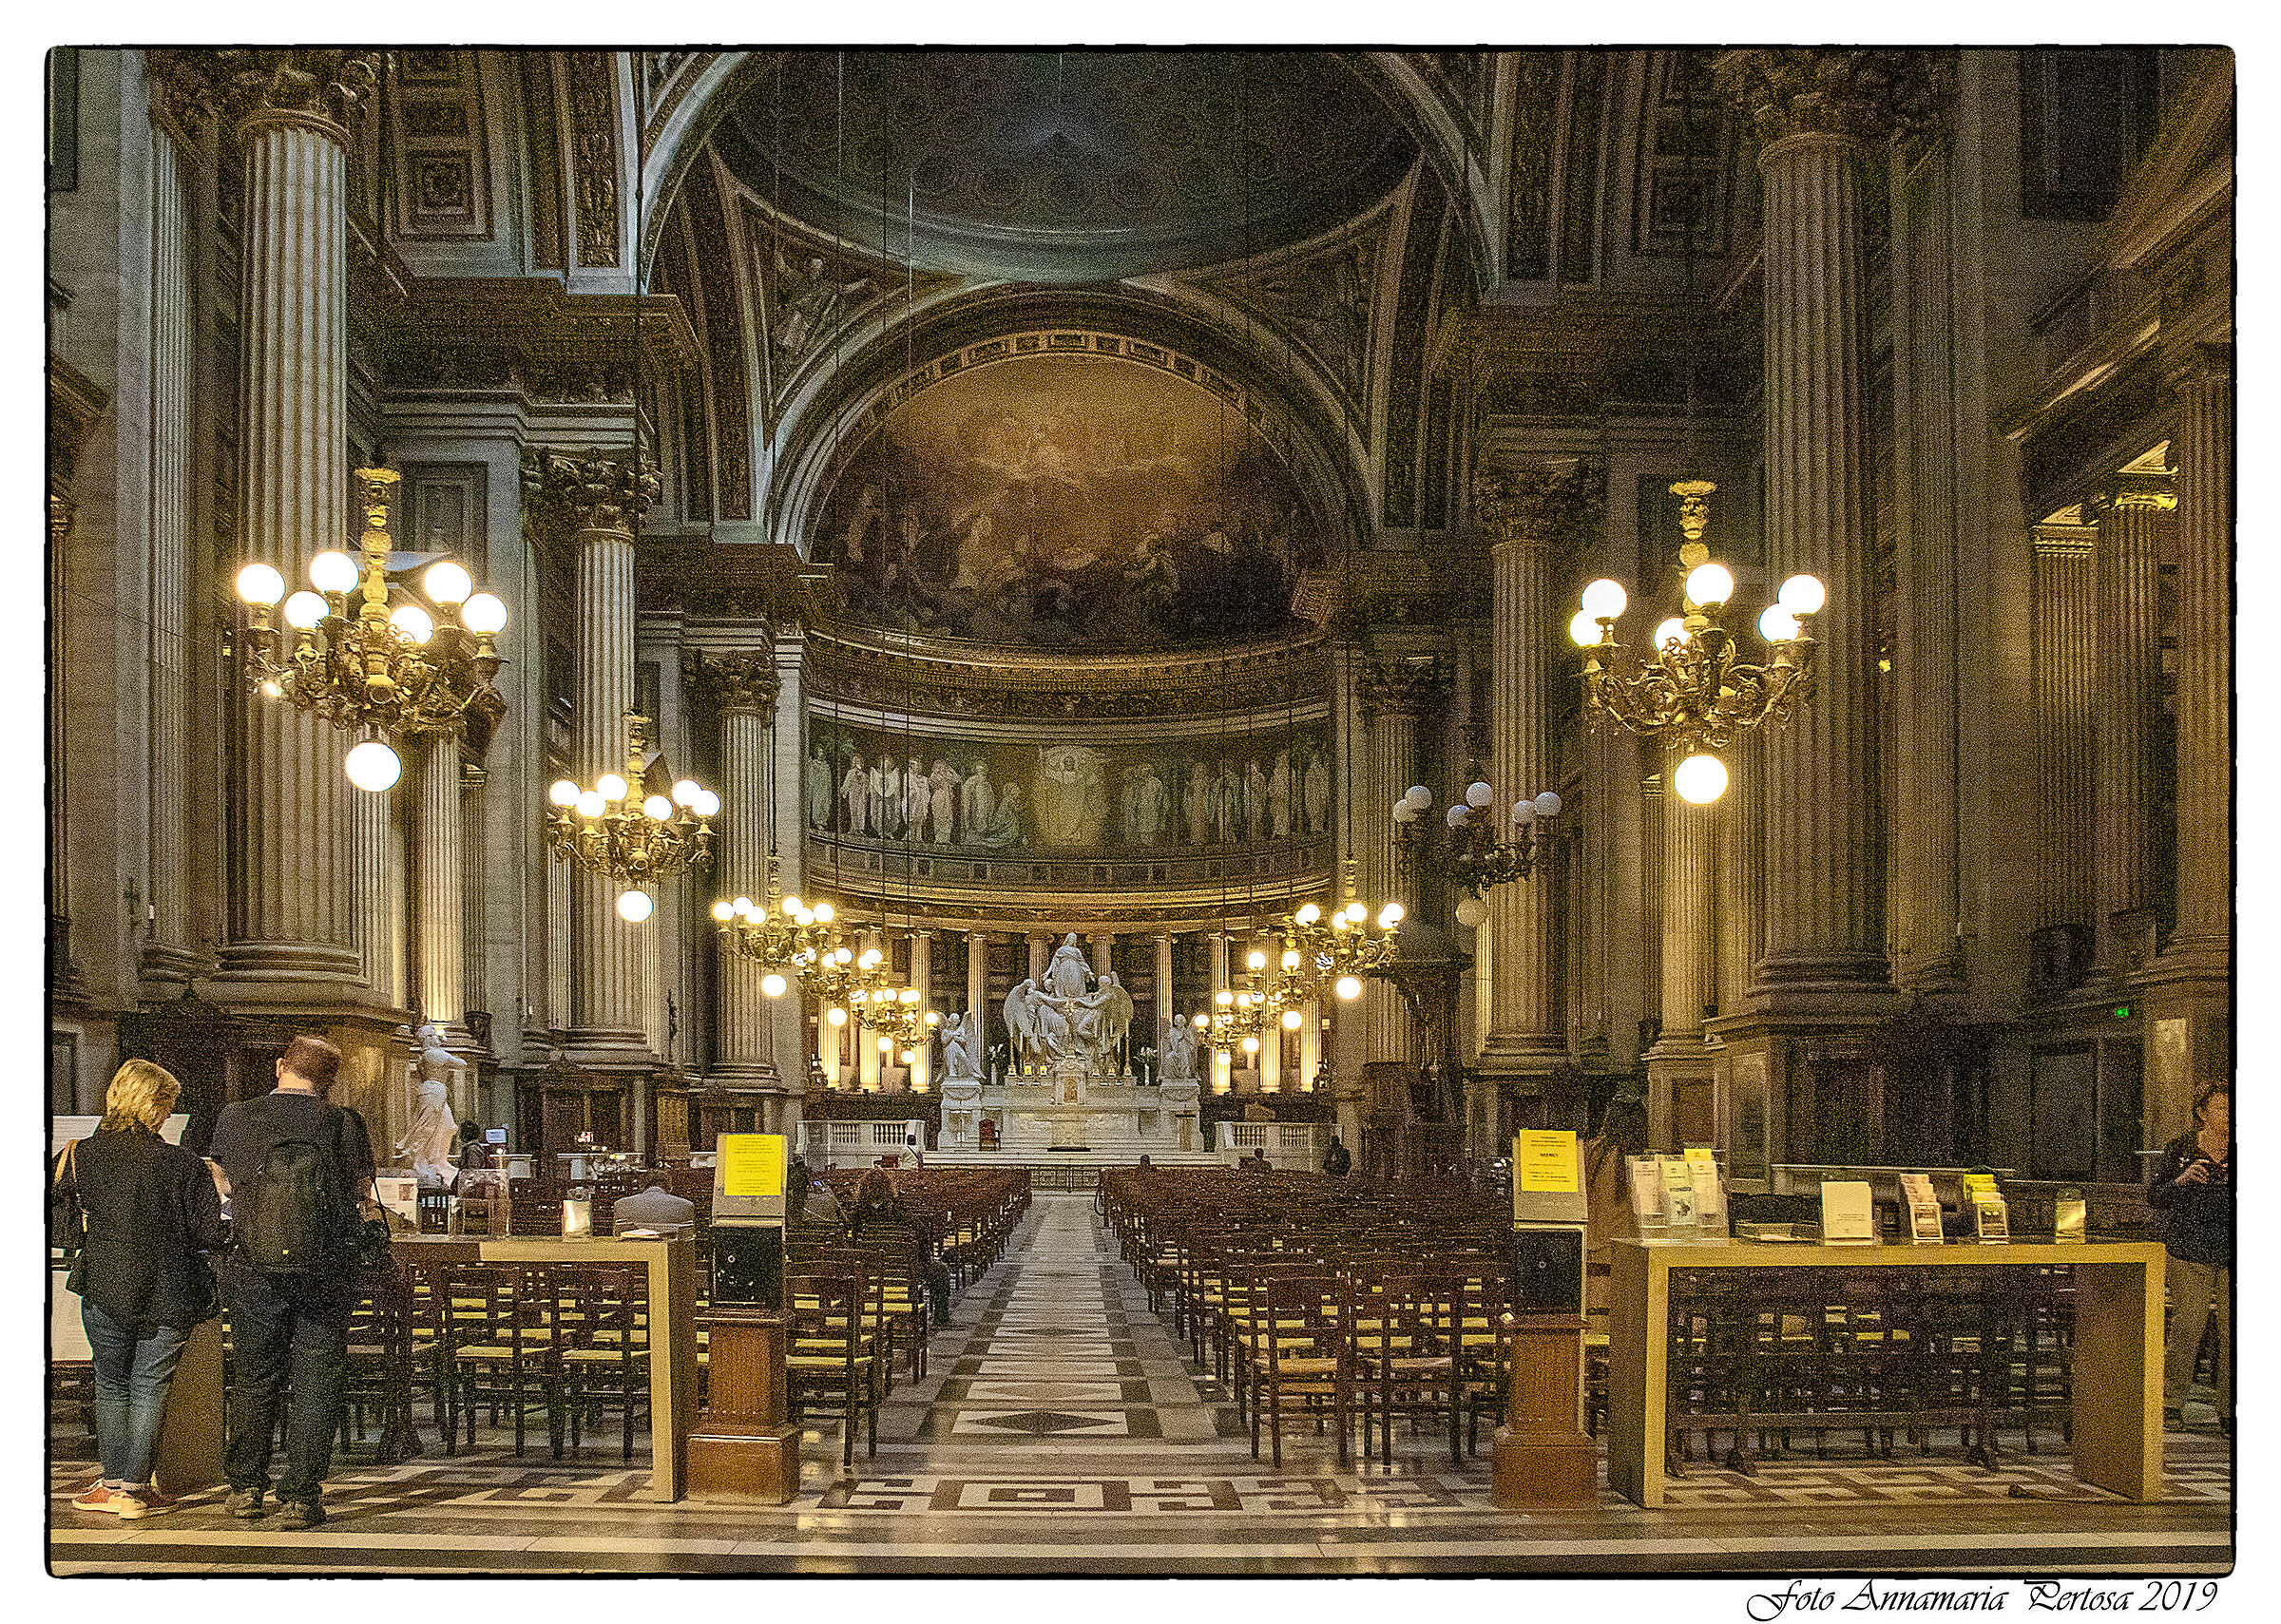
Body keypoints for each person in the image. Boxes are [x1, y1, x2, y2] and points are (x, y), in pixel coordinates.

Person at [206, 1035, 377, 1530]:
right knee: (315, 1379)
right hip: (325, 1267)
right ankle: (301, 1496)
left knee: (255, 1376)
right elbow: (361, 1192)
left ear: (280, 1066)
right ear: (328, 1082)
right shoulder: (342, 1122)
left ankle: (245, 1488)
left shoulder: (235, 1117)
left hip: (253, 1267)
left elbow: (222, 1185)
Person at [52, 1060, 225, 1519]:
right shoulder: (184, 1164)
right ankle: (133, 1487)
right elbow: (208, 1233)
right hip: (170, 1289)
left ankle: (111, 1484)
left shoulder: (80, 1155)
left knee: (110, 1384)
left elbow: (58, 1221)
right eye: (167, 1105)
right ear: (157, 1108)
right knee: (151, 1384)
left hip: (105, 1283)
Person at [2149, 1080, 2231, 1432]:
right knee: (2188, 1326)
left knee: (2234, 1332)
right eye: (2222, 1109)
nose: (2229, 1116)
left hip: (2232, 1250)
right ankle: (2171, 1401)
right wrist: (2182, 1180)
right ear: (2202, 1113)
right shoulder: (2181, 1148)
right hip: (2189, 1248)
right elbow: (2154, 1195)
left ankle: (2230, 1407)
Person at [1583, 1094, 1649, 1318]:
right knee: (1626, 1314)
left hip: (1597, 1243)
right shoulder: (1644, 1158)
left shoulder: (1593, 1151)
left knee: (1598, 1313)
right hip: (1632, 1247)